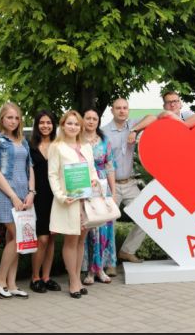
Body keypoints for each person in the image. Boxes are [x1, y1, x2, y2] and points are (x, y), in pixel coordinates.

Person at [0, 102, 35, 299]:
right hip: (6, 194)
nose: (13, 121)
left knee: (14, 240)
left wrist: (31, 192)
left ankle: (11, 284)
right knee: (19, 236)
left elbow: (30, 168)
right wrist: (13, 196)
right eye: (9, 117)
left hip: (24, 195)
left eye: (16, 118)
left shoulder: (23, 141)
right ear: (2, 119)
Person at [48, 110, 99, 299]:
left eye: (76, 124)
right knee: (71, 241)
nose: (73, 127)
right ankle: (73, 281)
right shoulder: (57, 147)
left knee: (81, 241)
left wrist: (93, 180)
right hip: (69, 201)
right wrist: (61, 196)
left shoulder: (86, 146)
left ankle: (76, 278)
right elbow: (52, 174)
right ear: (63, 125)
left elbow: (92, 170)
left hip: (86, 201)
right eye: (69, 123)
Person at [102, 98, 157, 264]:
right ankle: (108, 263)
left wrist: (134, 130)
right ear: (112, 111)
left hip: (130, 184)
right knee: (107, 225)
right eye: (118, 108)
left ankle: (127, 251)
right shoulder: (104, 132)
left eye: (125, 108)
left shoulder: (133, 124)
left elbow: (153, 117)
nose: (122, 111)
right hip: (111, 186)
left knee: (147, 217)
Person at [81, 108, 117, 282]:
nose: (91, 121)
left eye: (94, 118)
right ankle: (89, 270)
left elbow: (110, 167)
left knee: (103, 227)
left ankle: (100, 268)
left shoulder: (104, 140)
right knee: (88, 228)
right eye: (88, 118)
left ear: (98, 121)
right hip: (84, 186)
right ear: (83, 120)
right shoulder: (77, 140)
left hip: (102, 188)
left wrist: (113, 192)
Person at [28, 110, 62, 294]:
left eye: (49, 122)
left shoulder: (59, 145)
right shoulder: (30, 146)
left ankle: (47, 277)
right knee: (41, 239)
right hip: (38, 197)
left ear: (53, 125)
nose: (45, 126)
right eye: (42, 122)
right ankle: (35, 277)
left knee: (51, 238)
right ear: (36, 125)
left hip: (56, 197)